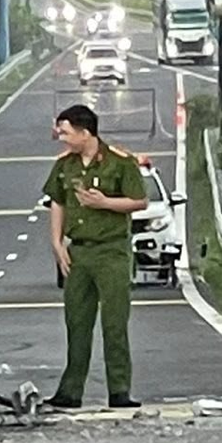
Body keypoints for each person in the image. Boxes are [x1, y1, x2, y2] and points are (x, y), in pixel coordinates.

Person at [42, 104, 149, 410]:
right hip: (78, 252)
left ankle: (119, 389)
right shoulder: (65, 165)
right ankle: (70, 390)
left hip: (111, 251)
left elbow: (139, 201)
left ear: (85, 132)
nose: (62, 138)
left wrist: (105, 203)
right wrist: (57, 243)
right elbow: (57, 202)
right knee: (76, 322)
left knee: (114, 323)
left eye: (66, 133)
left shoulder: (120, 162)